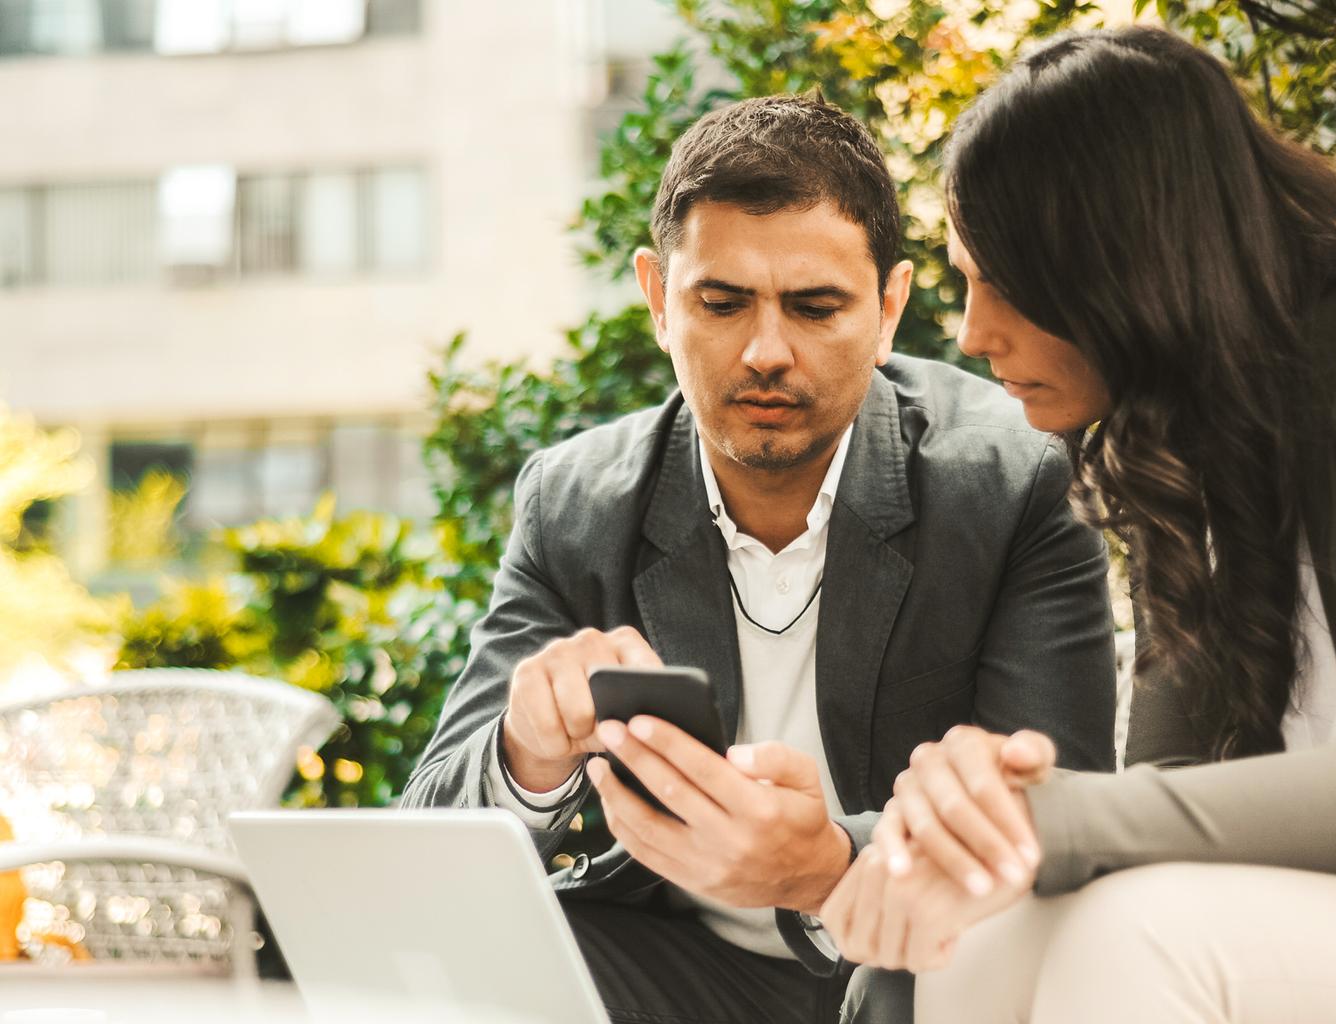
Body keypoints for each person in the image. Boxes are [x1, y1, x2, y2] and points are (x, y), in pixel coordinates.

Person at [821, 26, 1336, 1023]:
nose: (975, 332)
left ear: (1120, 260)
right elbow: (1162, 799)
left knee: (1136, 935)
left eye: (1004, 281)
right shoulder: (1186, 448)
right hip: (1328, 922)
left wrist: (1046, 818)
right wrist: (969, 831)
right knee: (974, 947)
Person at [399, 94, 1119, 1024]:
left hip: (913, 959)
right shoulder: (575, 504)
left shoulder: (1014, 482)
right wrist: (527, 754)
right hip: (670, 970)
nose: (767, 352)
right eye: (722, 302)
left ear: (890, 306)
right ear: (660, 299)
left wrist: (828, 868)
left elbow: (1061, 819)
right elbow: (426, 832)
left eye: (815, 307)